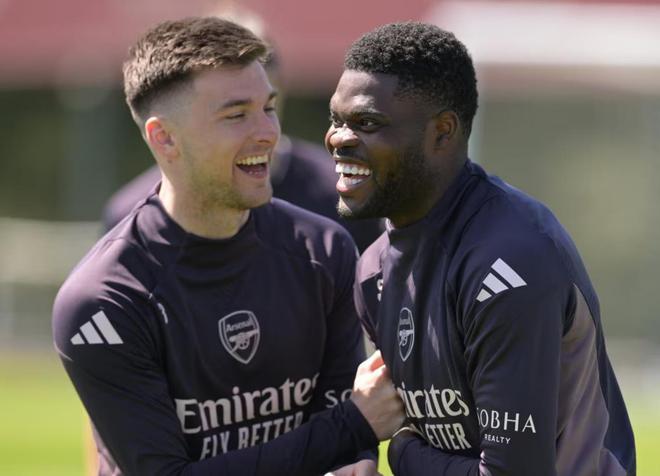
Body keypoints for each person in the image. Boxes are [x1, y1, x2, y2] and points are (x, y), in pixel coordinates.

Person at [53, 17, 404, 476]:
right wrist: (352, 426)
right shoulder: (102, 301)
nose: (268, 133)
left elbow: (341, 439)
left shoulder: (323, 249)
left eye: (268, 107)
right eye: (237, 115)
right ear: (164, 138)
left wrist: (354, 457)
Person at [326, 22, 636, 475]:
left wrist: (401, 452)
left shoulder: (508, 260)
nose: (338, 139)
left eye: (367, 123)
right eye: (336, 120)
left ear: (443, 132)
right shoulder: (373, 271)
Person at [102, 37, 382, 254]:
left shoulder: (344, 194)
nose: (261, 129)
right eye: (235, 113)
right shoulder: (129, 215)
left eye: (266, 105)